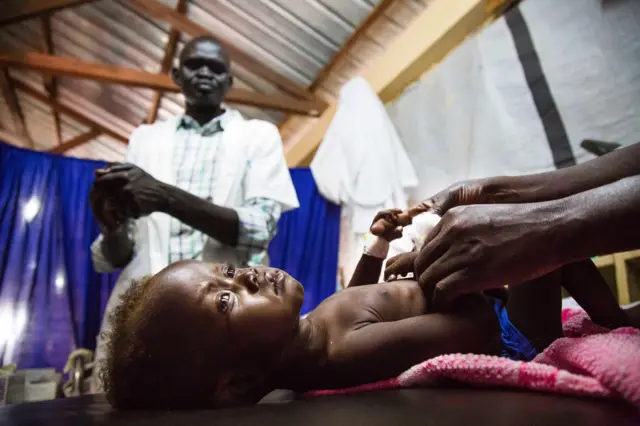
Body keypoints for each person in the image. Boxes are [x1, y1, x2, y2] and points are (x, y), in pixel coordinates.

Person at [99, 208, 630, 410]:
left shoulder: (305, 330)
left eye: (229, 271)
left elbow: (356, 296)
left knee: (525, 235)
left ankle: (606, 310)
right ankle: (615, 320)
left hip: (484, 305)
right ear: (238, 383)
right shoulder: (341, 352)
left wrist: (378, 249)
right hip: (512, 332)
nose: (247, 275)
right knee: (540, 238)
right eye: (225, 298)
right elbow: (471, 334)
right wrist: (434, 265)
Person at [88, 35, 299, 391]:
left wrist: (165, 197)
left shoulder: (257, 135)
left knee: (225, 405)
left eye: (216, 68)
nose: (205, 73)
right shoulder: (145, 138)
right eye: (194, 65)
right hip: (147, 317)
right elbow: (115, 258)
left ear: (229, 82)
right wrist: (113, 229)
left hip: (226, 318)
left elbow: (259, 228)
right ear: (176, 75)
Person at [385, 142, 640, 310]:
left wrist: (546, 223)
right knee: (540, 247)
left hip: (494, 325)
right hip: (500, 332)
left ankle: (615, 320)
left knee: (541, 249)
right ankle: (615, 320)